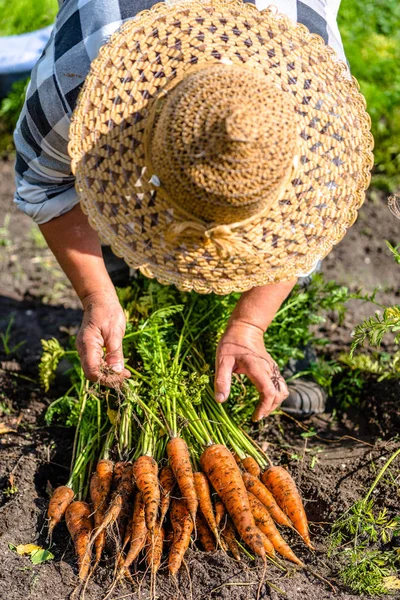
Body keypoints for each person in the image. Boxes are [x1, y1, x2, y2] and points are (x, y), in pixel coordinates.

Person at [13, 0, 373, 421]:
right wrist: (97, 297)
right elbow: (44, 184)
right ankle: (122, 269)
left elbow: (314, 222)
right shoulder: (77, 88)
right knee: (111, 224)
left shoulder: (321, 112)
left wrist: (251, 325)